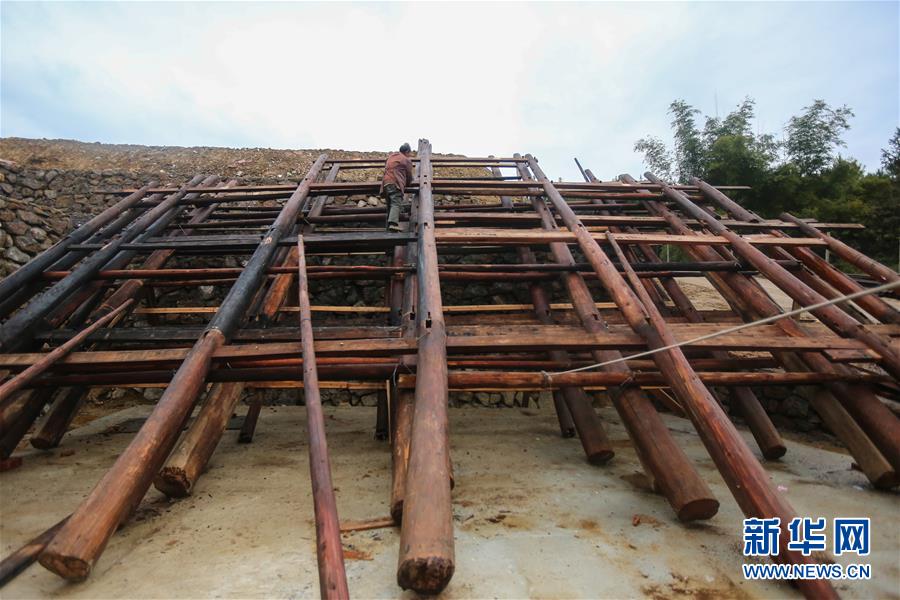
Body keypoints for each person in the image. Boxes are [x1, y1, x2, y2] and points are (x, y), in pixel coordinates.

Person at [381, 143, 414, 231]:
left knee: (390, 206)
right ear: (407, 151)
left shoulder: (391, 157)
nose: (410, 155)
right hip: (395, 182)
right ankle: (393, 224)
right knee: (396, 203)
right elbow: (409, 175)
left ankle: (388, 228)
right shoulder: (405, 159)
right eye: (409, 153)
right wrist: (408, 183)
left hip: (385, 183)